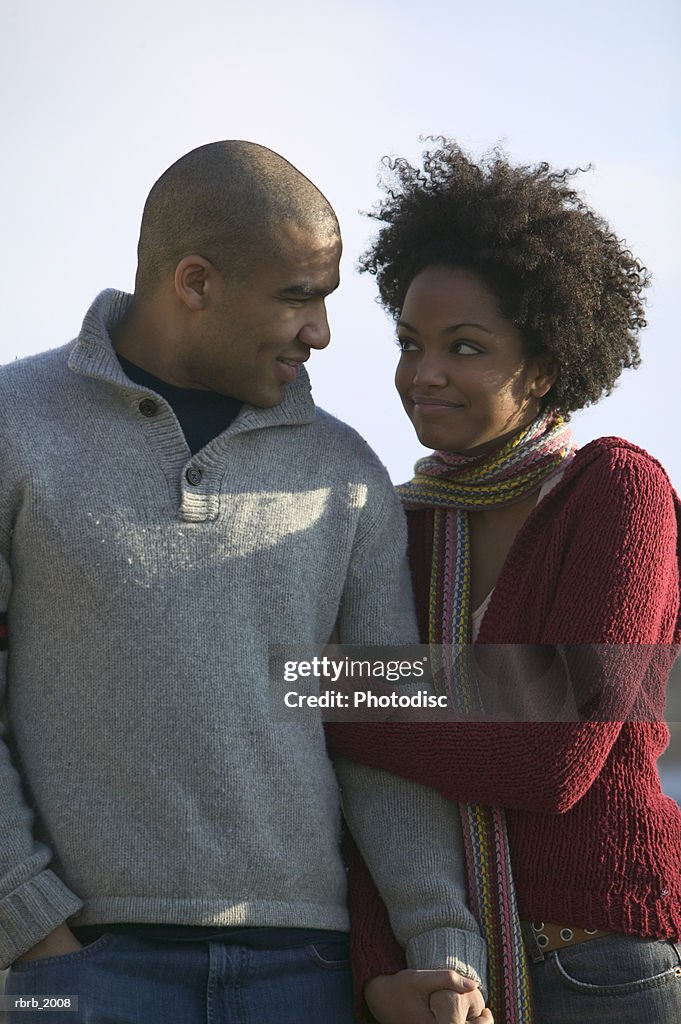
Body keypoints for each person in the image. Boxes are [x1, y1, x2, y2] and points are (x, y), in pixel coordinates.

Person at [0, 141, 493, 1023]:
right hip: (72, 968)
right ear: (195, 282)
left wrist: (442, 952)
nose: (322, 333)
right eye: (299, 297)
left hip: (306, 971)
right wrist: (31, 929)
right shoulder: (13, 428)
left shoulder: (347, 472)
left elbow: (388, 731)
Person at [327, 141, 681, 1023]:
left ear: (545, 364)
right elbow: (373, 795)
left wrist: (321, 688)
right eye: (410, 343)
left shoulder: (615, 490)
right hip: (447, 976)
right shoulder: (395, 526)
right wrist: (381, 972)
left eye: (465, 347)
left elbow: (554, 753)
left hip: (606, 966)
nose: (423, 373)